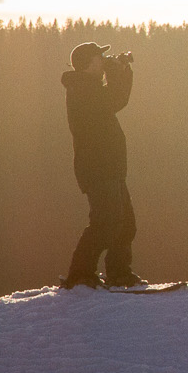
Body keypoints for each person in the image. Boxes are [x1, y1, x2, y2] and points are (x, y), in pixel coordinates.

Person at [61, 42, 140, 288]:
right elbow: (114, 100)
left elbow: (114, 99)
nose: (104, 59)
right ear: (89, 63)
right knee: (104, 223)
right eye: (100, 57)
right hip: (98, 169)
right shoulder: (81, 89)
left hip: (110, 168)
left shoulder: (88, 87)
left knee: (125, 224)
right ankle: (80, 274)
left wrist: (119, 71)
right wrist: (117, 72)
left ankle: (119, 273)